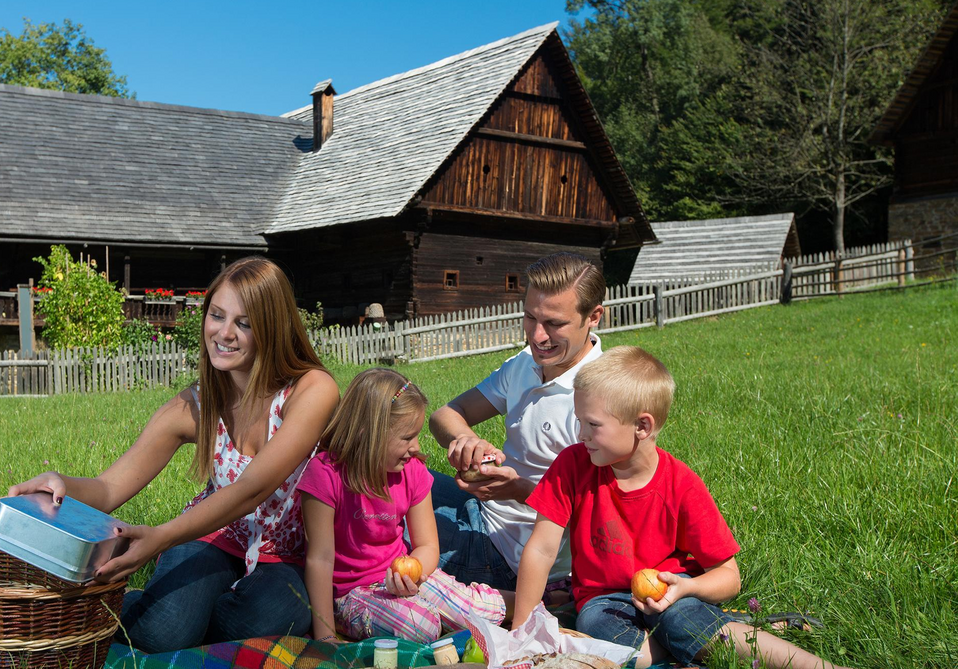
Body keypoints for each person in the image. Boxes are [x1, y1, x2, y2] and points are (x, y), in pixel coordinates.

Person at [8, 257, 339, 653]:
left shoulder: (312, 390)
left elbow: (253, 488)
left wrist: (160, 536)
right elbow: (110, 487)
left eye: (244, 323)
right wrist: (61, 484)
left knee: (265, 624)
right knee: (162, 632)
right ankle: (153, 609)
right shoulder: (195, 405)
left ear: (273, 328)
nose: (224, 333)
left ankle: (189, 612)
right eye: (217, 315)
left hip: (288, 552)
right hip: (212, 534)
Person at [513, 346, 851, 669]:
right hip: (605, 600)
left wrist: (685, 588)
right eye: (579, 421)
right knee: (604, 632)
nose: (580, 434)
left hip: (675, 594)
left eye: (593, 424)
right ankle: (727, 633)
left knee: (680, 621)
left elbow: (729, 576)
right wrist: (521, 633)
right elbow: (542, 548)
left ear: (642, 426)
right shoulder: (572, 465)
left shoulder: (681, 485)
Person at [427, 252, 605, 594]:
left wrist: (519, 490)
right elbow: (445, 415)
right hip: (482, 512)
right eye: (530, 317)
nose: (537, 336)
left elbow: (599, 521)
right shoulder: (525, 364)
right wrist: (466, 440)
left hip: (515, 560)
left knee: (378, 526)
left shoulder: (601, 397)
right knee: (377, 479)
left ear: (593, 316)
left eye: (554, 323)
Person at [298, 368, 509, 644]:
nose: (416, 447)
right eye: (407, 437)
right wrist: (325, 634)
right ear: (368, 433)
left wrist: (414, 574)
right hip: (352, 593)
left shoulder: (412, 471)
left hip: (402, 577)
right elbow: (320, 559)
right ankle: (429, 618)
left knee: (483, 611)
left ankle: (528, 599)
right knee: (419, 625)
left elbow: (427, 545)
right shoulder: (325, 474)